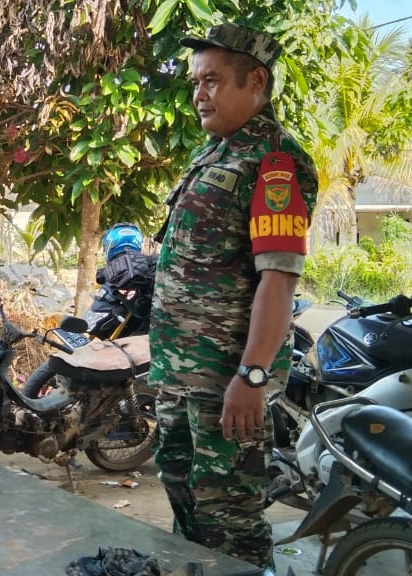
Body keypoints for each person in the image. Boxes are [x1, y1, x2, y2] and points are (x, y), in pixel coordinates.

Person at [147, 23, 318, 568]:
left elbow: (279, 278)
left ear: (256, 81)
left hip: (227, 383)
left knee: (230, 522)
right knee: (186, 509)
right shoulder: (215, 152)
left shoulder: (273, 162)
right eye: (196, 81)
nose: (199, 93)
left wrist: (253, 377)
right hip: (182, 376)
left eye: (213, 80)